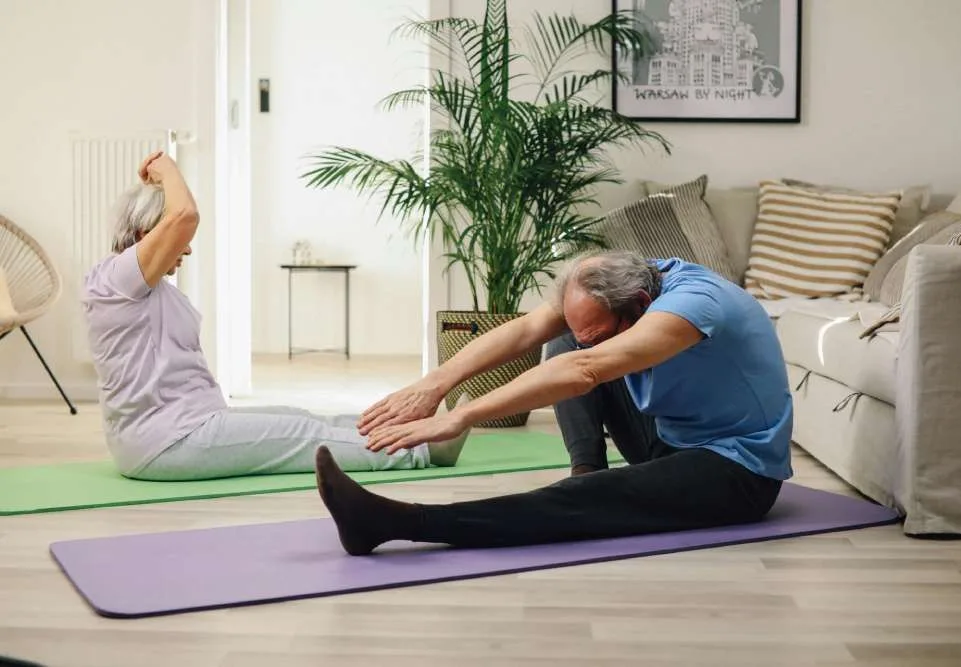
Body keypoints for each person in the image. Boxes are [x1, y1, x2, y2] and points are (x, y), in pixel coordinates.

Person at [313, 250, 794, 555]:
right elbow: (525, 331)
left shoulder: (694, 304)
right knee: (568, 343)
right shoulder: (616, 283)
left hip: (735, 470)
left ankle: (395, 523)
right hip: (667, 435)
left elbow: (584, 372)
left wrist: (461, 416)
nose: (590, 339)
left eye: (603, 332)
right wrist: (435, 384)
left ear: (642, 304)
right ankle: (587, 473)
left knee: (578, 362)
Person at [81, 152, 470, 481]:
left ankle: (410, 430)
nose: (187, 251)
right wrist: (165, 167)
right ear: (147, 231)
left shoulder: (146, 287)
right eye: (180, 243)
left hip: (188, 425)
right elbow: (184, 214)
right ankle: (424, 452)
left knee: (299, 416)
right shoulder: (117, 280)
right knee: (300, 434)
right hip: (164, 441)